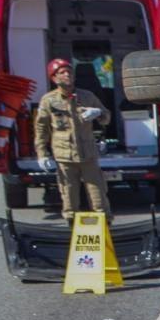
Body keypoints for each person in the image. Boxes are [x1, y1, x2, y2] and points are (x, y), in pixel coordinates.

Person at [33, 57, 111, 222]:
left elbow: (107, 117)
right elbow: (41, 128)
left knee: (98, 195)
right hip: (64, 156)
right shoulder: (49, 100)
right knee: (69, 196)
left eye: (69, 71)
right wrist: (42, 153)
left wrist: (97, 113)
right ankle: (72, 227)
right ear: (54, 78)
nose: (67, 74)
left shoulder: (87, 96)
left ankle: (105, 227)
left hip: (88, 155)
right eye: (62, 72)